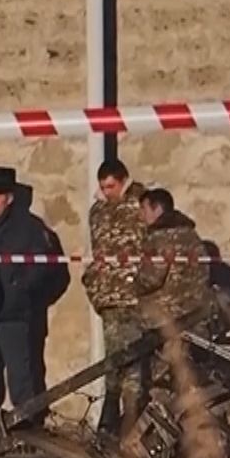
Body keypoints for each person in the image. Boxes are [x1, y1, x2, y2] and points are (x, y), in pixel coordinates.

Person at [0, 167, 70, 440]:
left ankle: (29, 430)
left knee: (22, 377)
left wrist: (24, 294)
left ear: (9, 198)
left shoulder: (31, 229)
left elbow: (54, 272)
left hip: (15, 317)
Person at [82, 159, 149, 441]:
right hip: (109, 297)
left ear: (123, 181)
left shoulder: (141, 205)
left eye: (112, 186)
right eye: (103, 187)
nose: (107, 192)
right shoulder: (98, 211)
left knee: (134, 361)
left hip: (135, 296)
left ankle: (130, 423)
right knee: (114, 358)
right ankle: (110, 420)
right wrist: (93, 283)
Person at [135, 188, 219, 333]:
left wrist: (132, 281)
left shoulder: (158, 237)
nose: (141, 215)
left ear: (157, 209)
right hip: (196, 313)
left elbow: (151, 278)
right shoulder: (191, 235)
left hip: (166, 319)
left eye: (144, 208)